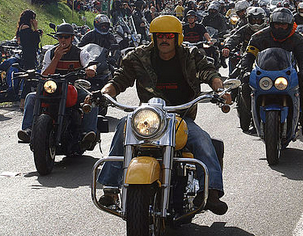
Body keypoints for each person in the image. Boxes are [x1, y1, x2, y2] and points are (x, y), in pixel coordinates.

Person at [95, 15, 231, 215]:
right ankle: (111, 188)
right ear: (153, 37)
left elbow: (209, 72)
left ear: (177, 37)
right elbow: (120, 79)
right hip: (149, 116)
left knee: (202, 140)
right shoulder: (138, 56)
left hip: (180, 115)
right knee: (123, 129)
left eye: (169, 35)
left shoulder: (191, 55)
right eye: (160, 36)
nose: (164, 40)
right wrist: (105, 93)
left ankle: (211, 192)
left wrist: (220, 90)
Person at [18, 23, 98, 146]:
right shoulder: (50, 53)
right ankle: (28, 130)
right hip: (52, 87)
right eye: (61, 37)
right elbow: (45, 75)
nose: (63, 40)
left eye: (66, 37)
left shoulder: (80, 53)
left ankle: (87, 132)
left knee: (92, 100)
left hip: (74, 87)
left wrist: (92, 69)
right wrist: (57, 57)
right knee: (31, 97)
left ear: (72, 38)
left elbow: (91, 63)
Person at [239, 7, 303, 138]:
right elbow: (249, 54)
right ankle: (252, 116)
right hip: (264, 75)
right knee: (245, 87)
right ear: (272, 24)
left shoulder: (297, 38)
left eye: (283, 25)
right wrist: (245, 70)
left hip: (288, 74)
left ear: (289, 25)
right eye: (277, 24)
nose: (280, 27)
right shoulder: (259, 36)